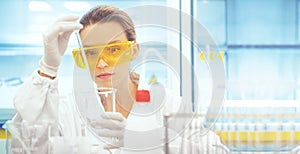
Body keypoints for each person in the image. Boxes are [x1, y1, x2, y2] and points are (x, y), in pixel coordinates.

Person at [10, 5, 226, 154]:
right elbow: (25, 148)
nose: (102, 64)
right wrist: (47, 69)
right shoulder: (69, 109)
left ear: (134, 51)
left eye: (113, 50)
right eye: (92, 53)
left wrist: (148, 140)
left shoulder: (168, 105)